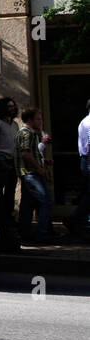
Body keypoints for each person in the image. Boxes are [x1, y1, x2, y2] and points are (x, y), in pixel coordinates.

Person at [16, 107, 53, 244]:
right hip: (31, 174)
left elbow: (33, 153)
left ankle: (25, 234)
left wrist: (44, 162)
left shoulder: (30, 133)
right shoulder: (27, 133)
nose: (40, 121)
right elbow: (25, 154)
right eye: (38, 119)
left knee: (27, 205)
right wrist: (39, 168)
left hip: (29, 173)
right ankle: (42, 234)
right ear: (30, 120)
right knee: (46, 201)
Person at [0, 97, 20, 248]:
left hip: (12, 162)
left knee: (10, 192)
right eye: (9, 106)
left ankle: (8, 218)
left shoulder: (14, 125)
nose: (12, 109)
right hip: (1, 161)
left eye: (13, 106)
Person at [74, 98, 90, 240]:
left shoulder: (85, 121)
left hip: (86, 160)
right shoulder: (89, 122)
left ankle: (77, 220)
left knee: (88, 193)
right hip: (89, 160)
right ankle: (78, 220)